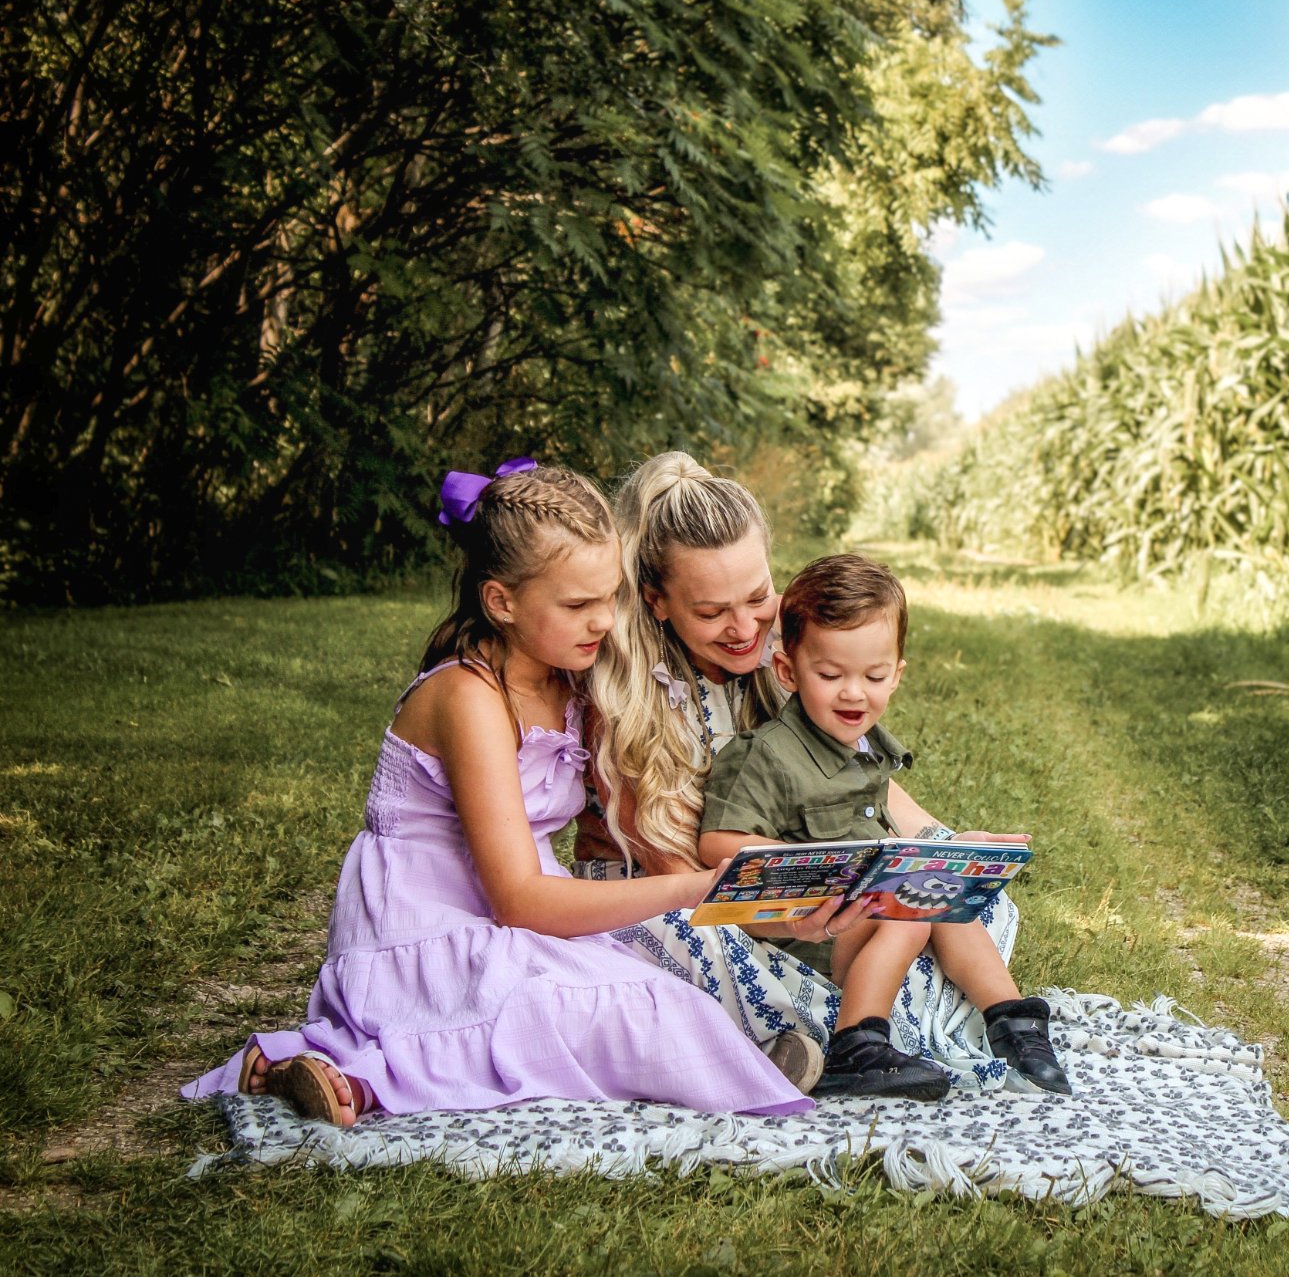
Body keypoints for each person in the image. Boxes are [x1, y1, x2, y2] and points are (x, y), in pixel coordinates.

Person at [181, 460, 814, 1125]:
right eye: (577, 605)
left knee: (661, 1005)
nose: (604, 622)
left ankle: (350, 1070)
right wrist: (693, 888)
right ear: (502, 601)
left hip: (522, 915)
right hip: (427, 922)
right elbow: (516, 898)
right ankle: (347, 1074)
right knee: (574, 1012)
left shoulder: (567, 674)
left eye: (611, 597)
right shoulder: (468, 695)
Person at [574, 453, 1023, 1093]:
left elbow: (851, 771)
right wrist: (795, 918)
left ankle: (814, 1036)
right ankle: (806, 1041)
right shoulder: (628, 698)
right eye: (711, 612)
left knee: (961, 902)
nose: (743, 627)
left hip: (785, 880)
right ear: (658, 603)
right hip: (670, 896)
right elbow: (681, 875)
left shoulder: (776, 648)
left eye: (758, 596)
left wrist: (943, 850)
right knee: (738, 959)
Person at [699, 553, 1070, 1101]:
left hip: (862, 914)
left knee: (943, 896)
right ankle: (857, 1045)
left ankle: (1013, 1023)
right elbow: (718, 844)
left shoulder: (865, 748)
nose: (854, 693)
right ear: (787, 671)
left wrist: (946, 855)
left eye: (874, 676)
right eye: (830, 675)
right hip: (808, 933)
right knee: (910, 917)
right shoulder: (766, 756)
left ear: (896, 674)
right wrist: (825, 869)